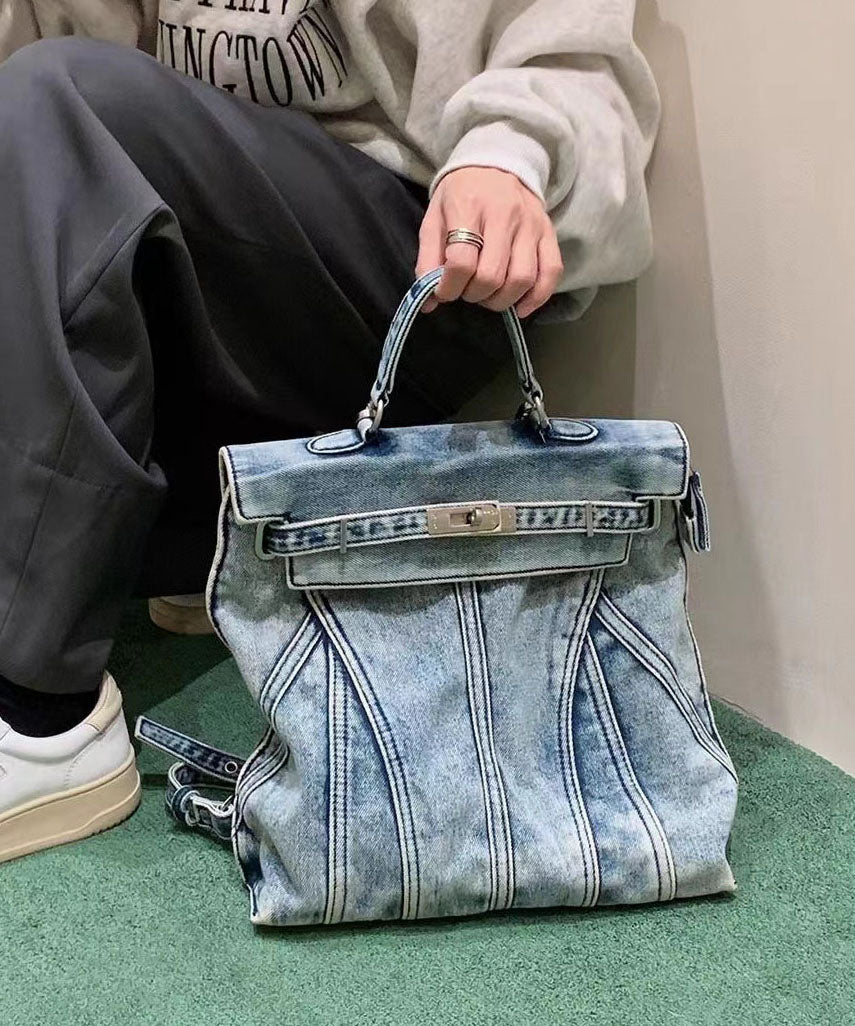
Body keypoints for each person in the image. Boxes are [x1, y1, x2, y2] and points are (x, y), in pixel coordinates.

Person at [0, 0, 660, 862]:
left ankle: (41, 716)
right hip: (203, 224)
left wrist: (508, 155)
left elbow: (576, 58)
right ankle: (216, 543)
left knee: (60, 96)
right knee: (44, 135)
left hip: (415, 248)